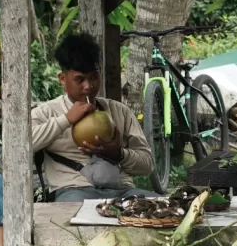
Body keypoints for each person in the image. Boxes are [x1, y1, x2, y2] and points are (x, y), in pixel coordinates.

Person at [31, 34, 155, 202]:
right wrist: (65, 120)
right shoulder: (47, 113)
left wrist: (118, 154)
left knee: (166, 209)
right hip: (74, 191)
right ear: (62, 79)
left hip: (122, 192)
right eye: (79, 80)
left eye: (94, 77)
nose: (88, 86)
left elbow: (148, 164)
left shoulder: (119, 111)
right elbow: (21, 146)